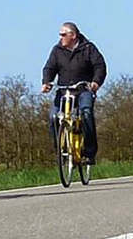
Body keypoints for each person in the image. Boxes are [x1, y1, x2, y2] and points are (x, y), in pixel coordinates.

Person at [41, 22, 107, 165]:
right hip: (64, 91)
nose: (61, 37)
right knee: (53, 117)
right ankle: (61, 151)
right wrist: (46, 82)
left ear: (73, 36)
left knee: (86, 113)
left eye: (63, 34)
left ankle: (89, 152)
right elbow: (49, 68)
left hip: (83, 90)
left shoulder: (88, 48)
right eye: (60, 34)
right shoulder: (57, 50)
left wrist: (95, 82)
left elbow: (100, 66)